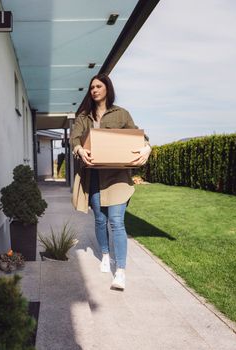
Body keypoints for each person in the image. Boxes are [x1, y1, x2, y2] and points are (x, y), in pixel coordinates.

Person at [70, 73, 151, 290]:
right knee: (99, 219)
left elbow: (138, 135)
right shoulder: (83, 117)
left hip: (117, 177)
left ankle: (121, 271)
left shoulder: (121, 114)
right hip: (94, 176)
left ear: (107, 88)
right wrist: (78, 149)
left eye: (98, 86)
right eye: (92, 87)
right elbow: (74, 138)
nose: (94, 90)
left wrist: (147, 147)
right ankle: (105, 254)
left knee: (116, 221)